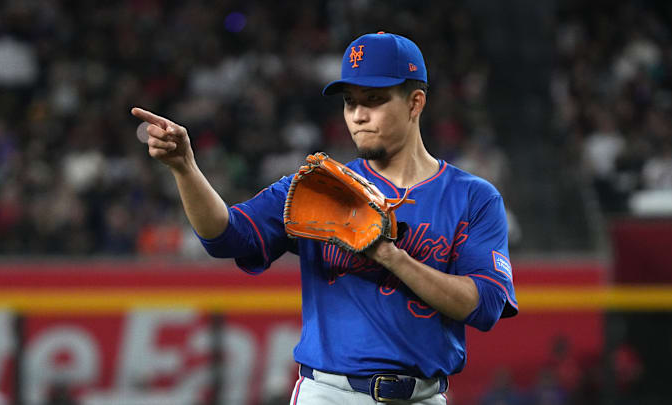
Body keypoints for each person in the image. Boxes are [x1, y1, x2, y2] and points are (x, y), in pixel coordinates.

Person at [132, 31, 518, 405]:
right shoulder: (318, 188)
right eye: (350, 102)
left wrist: (390, 256)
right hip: (329, 393)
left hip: (423, 396)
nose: (358, 116)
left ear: (415, 102)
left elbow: (483, 305)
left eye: (374, 100)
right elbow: (227, 237)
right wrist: (185, 169)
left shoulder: (472, 197)